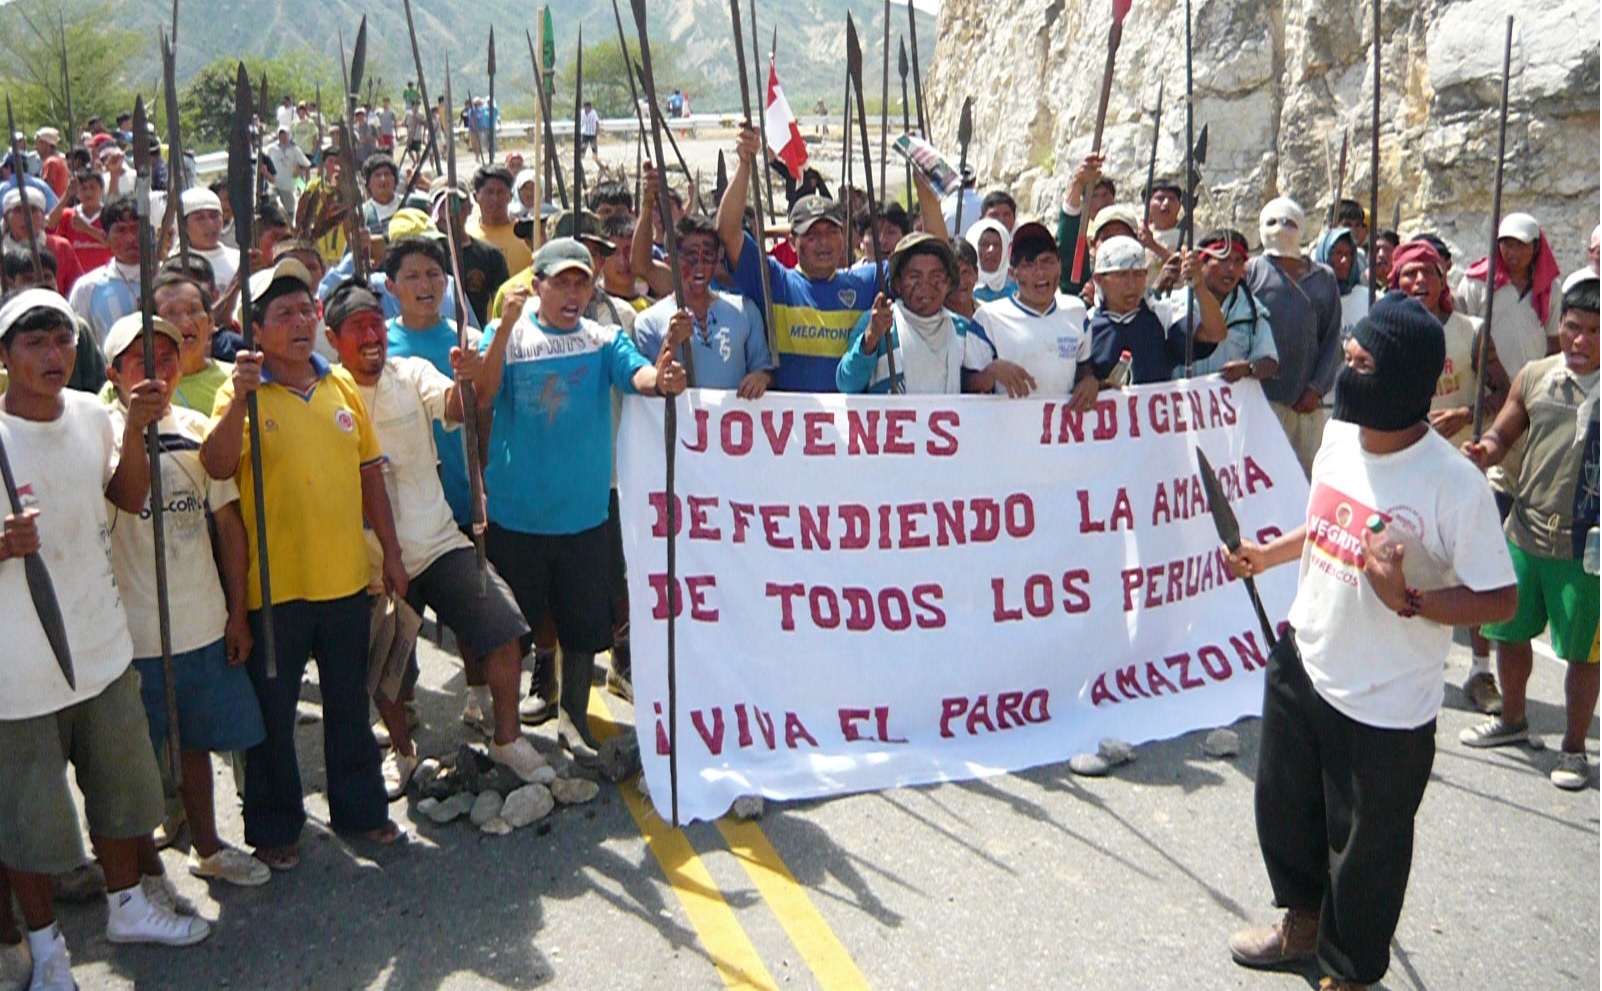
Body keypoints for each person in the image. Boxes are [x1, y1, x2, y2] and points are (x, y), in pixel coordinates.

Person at [1223, 292, 1517, 991]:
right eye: (1347, 357)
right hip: (1305, 657)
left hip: (1385, 700)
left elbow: (1499, 597)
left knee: (1367, 849)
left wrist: (1409, 599)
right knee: (1285, 807)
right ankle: (1301, 922)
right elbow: (1326, 520)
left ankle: (1349, 971)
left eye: (1360, 364)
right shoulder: (1337, 436)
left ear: (1403, 381)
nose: (1344, 374)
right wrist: (1269, 554)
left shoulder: (1455, 486)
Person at [1, 289, 213, 990]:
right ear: (5, 356)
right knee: (29, 819)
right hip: (16, 671)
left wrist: (140, 431)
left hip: (101, 642)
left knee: (123, 792)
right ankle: (48, 950)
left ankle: (128, 905)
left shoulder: (94, 414)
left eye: (62, 340)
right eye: (34, 343)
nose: (52, 355)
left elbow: (127, 497)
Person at [200, 258, 406, 869]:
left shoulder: (339, 385)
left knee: (348, 706)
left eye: (305, 310)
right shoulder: (238, 391)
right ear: (255, 330)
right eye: (282, 313)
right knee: (274, 717)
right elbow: (215, 465)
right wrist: (240, 397)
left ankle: (361, 810)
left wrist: (391, 553)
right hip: (273, 591)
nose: (299, 322)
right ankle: (274, 827)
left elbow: (370, 476)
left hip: (344, 581)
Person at [472, 238, 687, 763]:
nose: (573, 294)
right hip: (517, 515)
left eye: (581, 283)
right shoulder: (506, 333)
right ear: (536, 285)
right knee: (510, 631)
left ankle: (573, 718)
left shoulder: (603, 337)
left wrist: (660, 377)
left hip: (585, 516)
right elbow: (481, 394)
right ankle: (505, 730)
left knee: (583, 628)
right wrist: (504, 327)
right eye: (561, 283)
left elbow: (637, 375)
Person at [322, 280, 543, 788]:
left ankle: (507, 738)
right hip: (368, 561)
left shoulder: (412, 372)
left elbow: (463, 405)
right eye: (357, 328)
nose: (371, 336)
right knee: (386, 666)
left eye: (376, 324)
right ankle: (401, 751)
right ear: (333, 338)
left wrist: (466, 378)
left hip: (439, 542)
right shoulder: (327, 394)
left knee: (505, 626)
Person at [99, 313, 270, 890]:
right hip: (132, 635)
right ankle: (142, 875)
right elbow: (127, 495)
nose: (158, 369)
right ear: (114, 372)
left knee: (194, 747)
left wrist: (237, 615)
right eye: (140, 360)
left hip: (201, 622)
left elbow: (229, 525)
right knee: (132, 763)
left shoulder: (198, 426)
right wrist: (134, 430)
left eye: (167, 357)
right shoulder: (98, 430)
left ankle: (208, 847)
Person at [1459, 273, 1599, 790]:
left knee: (1583, 653)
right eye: (1573, 327)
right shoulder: (1537, 375)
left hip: (1587, 548)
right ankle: (1513, 720)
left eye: (1594, 331)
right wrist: (1485, 451)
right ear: (1560, 325)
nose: (1580, 340)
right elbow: (1504, 431)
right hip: (1524, 531)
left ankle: (1574, 749)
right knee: (1509, 633)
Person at [717, 124, 945, 393]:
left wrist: (924, 188)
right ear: (792, 241)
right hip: (790, 418)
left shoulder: (868, 282)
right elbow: (727, 232)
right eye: (812, 235)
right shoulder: (774, 282)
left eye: (831, 232)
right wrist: (745, 164)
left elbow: (935, 255)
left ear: (844, 236)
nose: (823, 242)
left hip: (852, 419)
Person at [1246, 196, 1343, 476]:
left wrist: (1315, 389)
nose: (1280, 227)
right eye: (1272, 222)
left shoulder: (1323, 278)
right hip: (1262, 401)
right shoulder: (1252, 271)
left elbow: (1331, 339)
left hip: (1306, 406)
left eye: (1289, 222)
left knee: (1306, 478)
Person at [633, 212, 773, 394]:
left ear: (717, 259)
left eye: (707, 256)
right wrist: (670, 343)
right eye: (690, 256)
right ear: (669, 261)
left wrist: (761, 377)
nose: (699, 266)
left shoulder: (745, 311)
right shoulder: (648, 322)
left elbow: (763, 369)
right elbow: (647, 389)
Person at [962, 221, 1097, 406]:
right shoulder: (988, 318)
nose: (1040, 272)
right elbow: (967, 384)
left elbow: (1083, 366)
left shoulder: (1077, 312)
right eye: (1028, 264)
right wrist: (992, 372)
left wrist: (1089, 381)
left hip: (1060, 423)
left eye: (1047, 261)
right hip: (1008, 423)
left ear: (1059, 266)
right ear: (1012, 274)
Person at [838, 233, 972, 395]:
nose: (925, 286)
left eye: (935, 277)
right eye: (915, 277)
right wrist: (871, 337)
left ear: (948, 283)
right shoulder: (878, 323)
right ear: (897, 283)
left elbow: (976, 387)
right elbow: (847, 383)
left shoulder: (964, 331)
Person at [1086, 234, 1225, 384]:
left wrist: (1199, 285)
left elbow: (1214, 333)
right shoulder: (1085, 326)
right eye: (1122, 275)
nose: (1132, 284)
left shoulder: (1163, 316)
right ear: (1099, 279)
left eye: (1138, 274)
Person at [1182, 229, 1279, 382]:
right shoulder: (1179, 303)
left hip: (1231, 396)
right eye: (1223, 259)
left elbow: (1270, 360)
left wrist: (1249, 368)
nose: (1231, 269)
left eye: (1238, 261)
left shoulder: (1251, 310)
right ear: (1202, 263)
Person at [152, 271, 233, 414]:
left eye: (194, 310)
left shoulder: (236, 380)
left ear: (210, 321)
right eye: (170, 313)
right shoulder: (137, 386)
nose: (185, 322)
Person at [66, 194, 140, 346]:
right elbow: (80, 344)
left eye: (136, 228)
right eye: (121, 231)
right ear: (105, 237)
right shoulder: (87, 288)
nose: (131, 238)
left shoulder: (165, 277)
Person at [3, 185, 83, 296]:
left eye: (33, 210)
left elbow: (78, 290)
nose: (26, 216)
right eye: (18, 210)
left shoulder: (61, 247)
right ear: (6, 217)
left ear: (43, 216)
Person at [464, 164, 531, 275]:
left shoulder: (526, 233)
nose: (495, 199)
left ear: (510, 196)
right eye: (489, 192)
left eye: (500, 192)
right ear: (476, 197)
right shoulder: (467, 235)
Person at [46, 170, 112, 273]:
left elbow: (111, 242)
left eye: (92, 187)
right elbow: (49, 224)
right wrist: (67, 195)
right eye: (83, 188)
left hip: (105, 274)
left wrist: (86, 229)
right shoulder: (68, 215)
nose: (88, 193)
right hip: (75, 276)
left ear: (102, 190)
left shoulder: (110, 214)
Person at [179, 188, 237, 289]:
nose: (210, 224)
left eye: (214, 216)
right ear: (184, 225)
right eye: (200, 218)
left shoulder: (238, 259)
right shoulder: (175, 264)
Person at [264, 128, 311, 218]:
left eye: (285, 135)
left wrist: (302, 177)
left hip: (288, 187)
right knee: (273, 207)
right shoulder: (271, 148)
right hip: (274, 185)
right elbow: (262, 159)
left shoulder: (295, 150)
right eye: (280, 136)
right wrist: (266, 173)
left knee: (289, 214)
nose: (283, 138)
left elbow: (307, 165)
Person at [967, 218, 1014, 304]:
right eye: (984, 244)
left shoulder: (1019, 291)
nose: (991, 250)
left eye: (997, 245)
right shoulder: (962, 289)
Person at [359, 155, 403, 236]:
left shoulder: (410, 203)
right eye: (377, 175)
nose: (383, 179)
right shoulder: (363, 214)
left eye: (387, 174)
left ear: (395, 180)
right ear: (368, 183)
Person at [945, 237, 980, 319]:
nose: (960, 281)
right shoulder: (932, 321)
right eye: (953, 274)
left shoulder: (989, 317)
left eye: (965, 272)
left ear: (976, 274)